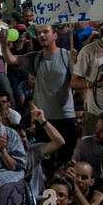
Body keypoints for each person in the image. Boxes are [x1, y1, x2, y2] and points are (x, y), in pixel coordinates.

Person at [32, 22, 77, 157]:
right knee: (45, 161)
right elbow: (11, 60)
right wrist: (4, 45)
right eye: (39, 33)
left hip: (65, 116)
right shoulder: (36, 58)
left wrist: (75, 63)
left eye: (45, 32)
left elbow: (76, 82)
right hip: (43, 118)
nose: (41, 35)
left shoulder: (67, 55)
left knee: (67, 159)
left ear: (55, 35)